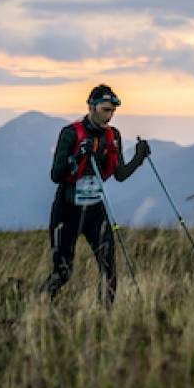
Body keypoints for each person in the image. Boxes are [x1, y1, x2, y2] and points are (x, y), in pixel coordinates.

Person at [39, 84, 150, 305]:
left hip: (95, 211)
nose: (109, 116)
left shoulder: (113, 136)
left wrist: (139, 157)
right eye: (105, 110)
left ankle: (105, 319)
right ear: (91, 106)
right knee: (63, 271)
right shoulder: (71, 134)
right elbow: (56, 175)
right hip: (67, 211)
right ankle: (40, 307)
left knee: (109, 268)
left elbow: (119, 174)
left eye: (112, 111)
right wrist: (79, 155)